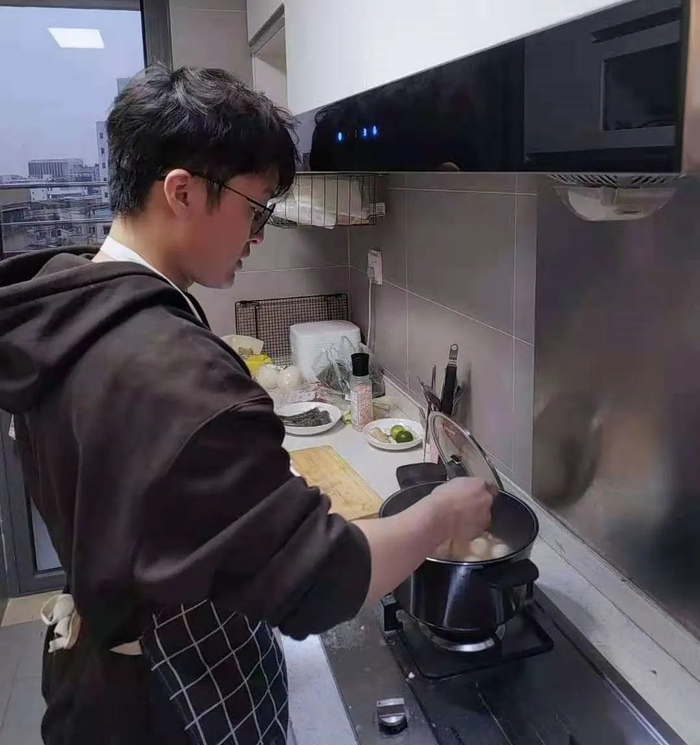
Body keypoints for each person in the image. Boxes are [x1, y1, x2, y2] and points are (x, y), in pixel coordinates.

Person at [0, 66, 495, 745]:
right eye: (256, 208)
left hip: (98, 674)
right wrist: (444, 512)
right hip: (169, 704)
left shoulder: (73, 304)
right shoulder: (169, 370)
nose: (259, 234)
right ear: (181, 192)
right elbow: (320, 581)